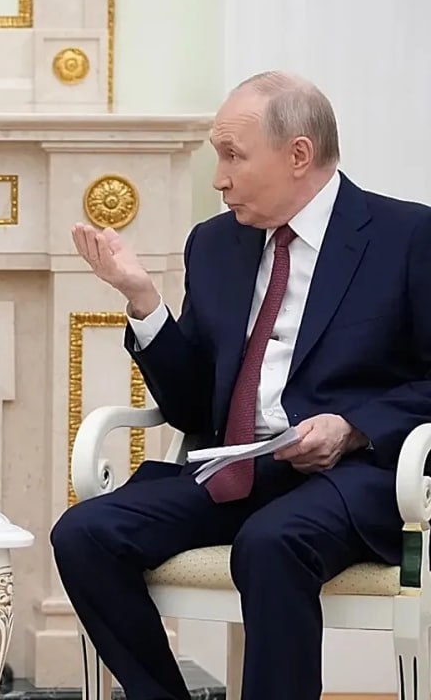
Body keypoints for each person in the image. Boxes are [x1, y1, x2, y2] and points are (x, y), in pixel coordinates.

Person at [51, 70, 431, 699]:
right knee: (84, 533)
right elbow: (191, 406)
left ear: (298, 154)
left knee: (271, 542)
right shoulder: (213, 244)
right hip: (237, 468)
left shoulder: (408, 237)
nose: (218, 178)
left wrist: (352, 427)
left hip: (355, 476)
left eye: (232, 155)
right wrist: (143, 302)